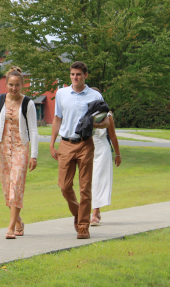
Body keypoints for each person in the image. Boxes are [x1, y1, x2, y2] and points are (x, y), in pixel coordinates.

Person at [49, 61, 110, 239]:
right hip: (66, 143)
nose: (75, 78)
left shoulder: (95, 95)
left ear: (85, 76)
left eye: (79, 75)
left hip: (85, 143)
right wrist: (52, 143)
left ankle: (83, 226)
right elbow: (57, 119)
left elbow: (106, 121)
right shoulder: (61, 94)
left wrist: (94, 123)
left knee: (85, 188)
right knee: (64, 186)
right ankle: (78, 212)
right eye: (72, 74)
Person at [0, 67, 39, 239]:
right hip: (2, 148)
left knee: (16, 186)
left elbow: (33, 130)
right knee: (7, 189)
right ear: (6, 84)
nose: (13, 88)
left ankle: (10, 228)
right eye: (10, 85)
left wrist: (34, 155)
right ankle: (18, 221)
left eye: (17, 85)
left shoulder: (28, 104)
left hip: (21, 148)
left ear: (22, 85)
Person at [89, 88, 122, 226]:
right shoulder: (84, 113)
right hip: (88, 148)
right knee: (88, 180)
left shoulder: (107, 116)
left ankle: (95, 213)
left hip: (102, 149)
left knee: (99, 179)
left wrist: (118, 154)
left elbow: (113, 136)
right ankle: (89, 211)